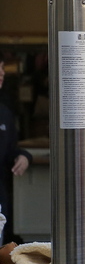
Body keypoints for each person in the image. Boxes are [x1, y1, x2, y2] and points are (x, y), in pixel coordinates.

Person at [0, 59, 31, 243]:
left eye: (2, 67)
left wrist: (24, 156)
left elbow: (11, 150)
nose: (2, 73)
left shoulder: (4, 113)